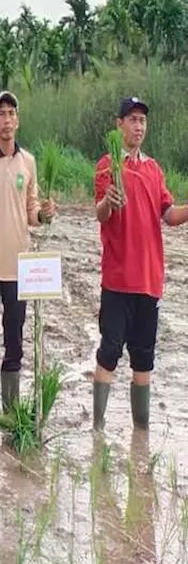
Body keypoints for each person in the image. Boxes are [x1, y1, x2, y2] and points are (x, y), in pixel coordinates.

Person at [92, 96, 188, 431]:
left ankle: (140, 436)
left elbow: (169, 215)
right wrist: (108, 200)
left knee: (144, 358)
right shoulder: (107, 165)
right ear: (118, 125)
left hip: (149, 281)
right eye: (132, 119)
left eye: (142, 121)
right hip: (117, 281)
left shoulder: (154, 169)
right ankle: (97, 429)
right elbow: (101, 213)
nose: (138, 126)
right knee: (109, 351)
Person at [0, 91, 57, 417]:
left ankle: (10, 416)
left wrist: (44, 214)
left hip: (20, 271)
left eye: (11, 113)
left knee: (15, 345)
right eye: (1, 114)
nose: (6, 120)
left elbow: (32, 212)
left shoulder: (27, 162)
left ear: (17, 121)